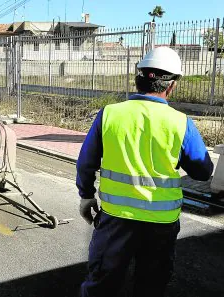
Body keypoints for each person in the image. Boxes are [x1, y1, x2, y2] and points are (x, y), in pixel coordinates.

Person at [76, 47, 214, 297]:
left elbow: (86, 162)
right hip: (161, 224)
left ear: (138, 80)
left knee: (102, 283)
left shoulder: (110, 114)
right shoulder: (181, 122)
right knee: (151, 285)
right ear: (170, 87)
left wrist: (86, 195)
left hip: (115, 219)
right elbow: (203, 171)